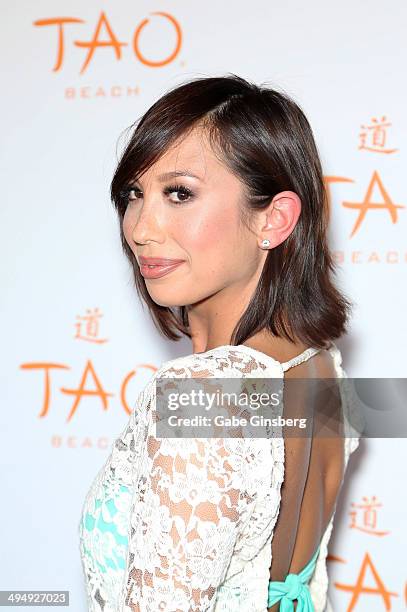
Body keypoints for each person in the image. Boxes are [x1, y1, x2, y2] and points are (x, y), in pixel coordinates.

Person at [78, 74, 362, 611]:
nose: (141, 227)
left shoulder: (204, 394)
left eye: (179, 194)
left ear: (274, 219)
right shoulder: (320, 369)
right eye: (133, 195)